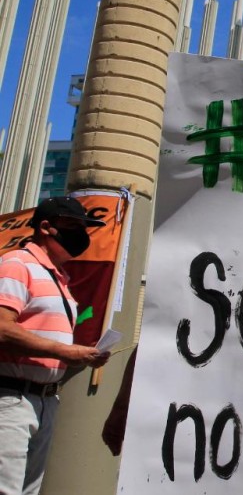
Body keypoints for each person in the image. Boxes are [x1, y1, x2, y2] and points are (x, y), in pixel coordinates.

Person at [0, 196, 110, 495]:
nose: (82, 234)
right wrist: (65, 351)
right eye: (73, 225)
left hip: (44, 401)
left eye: (85, 227)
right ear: (46, 227)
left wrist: (81, 355)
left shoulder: (60, 277)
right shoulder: (16, 264)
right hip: (10, 398)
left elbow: (45, 339)